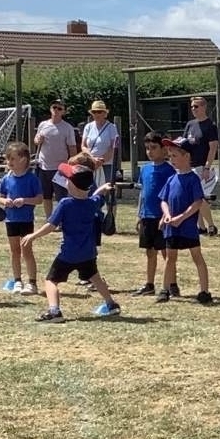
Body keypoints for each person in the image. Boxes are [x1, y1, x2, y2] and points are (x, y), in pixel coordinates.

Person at [25, 166, 123, 320]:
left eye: (67, 179)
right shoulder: (91, 203)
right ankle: (111, 304)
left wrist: (33, 235)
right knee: (95, 277)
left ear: (72, 184)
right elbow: (97, 197)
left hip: (68, 254)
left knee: (51, 281)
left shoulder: (65, 204)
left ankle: (54, 311)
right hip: (88, 253)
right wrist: (104, 189)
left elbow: (51, 226)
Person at [157, 138, 214, 304]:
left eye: (175, 156)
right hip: (172, 227)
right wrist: (166, 215)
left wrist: (181, 218)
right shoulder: (171, 179)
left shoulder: (193, 179)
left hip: (188, 227)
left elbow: (197, 202)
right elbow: (164, 200)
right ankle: (165, 289)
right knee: (170, 258)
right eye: (170, 156)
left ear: (187, 156)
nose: (171, 160)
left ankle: (204, 291)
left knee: (197, 256)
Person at [0, 140, 42, 294]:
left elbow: (39, 199)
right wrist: (5, 201)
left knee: (27, 251)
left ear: (23, 160)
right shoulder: (6, 179)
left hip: (26, 220)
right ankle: (17, 281)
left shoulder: (32, 179)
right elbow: (0, 196)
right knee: (14, 251)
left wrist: (25, 201)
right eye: (8, 159)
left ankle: (32, 283)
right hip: (11, 220)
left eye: (12, 158)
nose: (9, 162)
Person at [131, 134, 172, 297]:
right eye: (147, 148)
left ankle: (171, 284)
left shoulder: (169, 170)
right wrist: (139, 214)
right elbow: (142, 193)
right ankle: (149, 284)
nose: (150, 151)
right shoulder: (145, 169)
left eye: (154, 148)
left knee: (166, 252)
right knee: (150, 251)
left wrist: (166, 215)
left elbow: (170, 195)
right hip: (147, 215)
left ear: (163, 149)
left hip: (161, 217)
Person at [182, 95, 220, 235]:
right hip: (189, 167)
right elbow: (184, 144)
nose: (194, 109)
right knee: (193, 198)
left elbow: (213, 148)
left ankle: (211, 225)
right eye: (192, 107)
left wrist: (206, 167)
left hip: (202, 168)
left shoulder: (210, 126)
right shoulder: (190, 124)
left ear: (204, 107)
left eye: (196, 106)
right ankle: (201, 227)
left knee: (200, 197)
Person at [78, 99, 121, 230]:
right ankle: (92, 218)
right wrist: (92, 159)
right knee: (90, 190)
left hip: (107, 164)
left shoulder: (111, 127)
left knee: (109, 192)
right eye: (95, 112)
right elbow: (83, 145)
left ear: (105, 113)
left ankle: (110, 221)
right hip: (91, 164)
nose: (97, 114)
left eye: (100, 112)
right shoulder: (88, 127)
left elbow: (114, 147)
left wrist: (101, 160)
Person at [34, 100, 77, 220]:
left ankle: (61, 220)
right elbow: (36, 140)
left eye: (59, 108)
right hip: (43, 166)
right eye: (54, 107)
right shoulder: (43, 125)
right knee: (46, 196)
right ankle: (49, 219)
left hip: (60, 168)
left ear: (64, 112)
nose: (56, 110)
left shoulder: (67, 128)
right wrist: (38, 140)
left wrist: (72, 166)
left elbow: (72, 148)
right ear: (50, 109)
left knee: (61, 197)